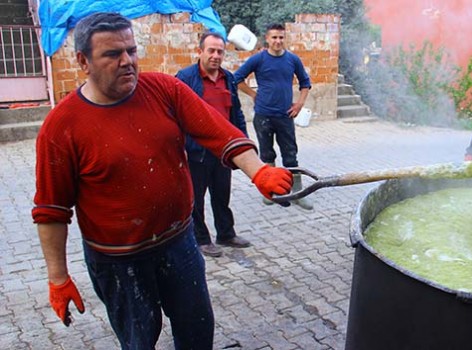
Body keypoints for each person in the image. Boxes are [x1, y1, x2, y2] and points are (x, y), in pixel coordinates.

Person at [32, 12, 292, 349]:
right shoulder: (61, 127)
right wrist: (58, 277)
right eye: (112, 54)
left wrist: (259, 170)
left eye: (131, 50)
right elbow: (51, 211)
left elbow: (216, 130)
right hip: (118, 262)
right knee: (139, 340)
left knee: (198, 333)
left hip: (179, 244)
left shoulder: (164, 89)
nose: (127, 62)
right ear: (83, 61)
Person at [175, 32, 251, 257]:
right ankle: (201, 239)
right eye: (211, 50)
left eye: (220, 51)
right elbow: (175, 116)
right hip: (196, 152)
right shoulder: (186, 77)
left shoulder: (228, 78)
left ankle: (226, 234)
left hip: (223, 151)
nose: (216, 55)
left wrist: (243, 142)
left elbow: (235, 112)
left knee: (222, 194)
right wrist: (180, 149)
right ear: (200, 51)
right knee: (196, 199)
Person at [233, 23, 314, 210]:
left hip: (285, 115)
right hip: (263, 116)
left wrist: (299, 104)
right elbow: (236, 78)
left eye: (281, 37)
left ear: (285, 39)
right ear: (267, 39)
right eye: (274, 37)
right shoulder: (258, 59)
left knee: (290, 155)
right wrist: (253, 94)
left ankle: (297, 192)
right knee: (267, 154)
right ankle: (269, 191)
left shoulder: (292, 60)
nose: (278, 41)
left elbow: (305, 83)